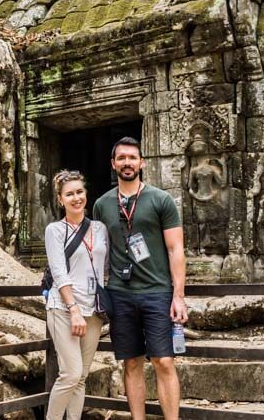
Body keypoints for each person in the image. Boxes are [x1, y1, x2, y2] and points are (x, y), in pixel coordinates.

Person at [92, 137, 187, 420]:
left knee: (163, 360)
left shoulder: (161, 199)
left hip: (157, 291)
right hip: (120, 293)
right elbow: (98, 251)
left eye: (132, 158)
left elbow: (176, 249)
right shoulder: (101, 204)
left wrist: (178, 296)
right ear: (113, 164)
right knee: (131, 362)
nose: (127, 163)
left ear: (141, 162)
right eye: (121, 158)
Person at [44, 169, 108, 420]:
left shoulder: (100, 228)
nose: (76, 198)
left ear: (86, 194)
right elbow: (59, 272)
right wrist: (74, 310)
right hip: (65, 308)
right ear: (60, 200)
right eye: (69, 194)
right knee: (70, 374)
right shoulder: (55, 230)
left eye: (79, 192)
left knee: (81, 377)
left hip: (93, 309)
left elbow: (105, 266)